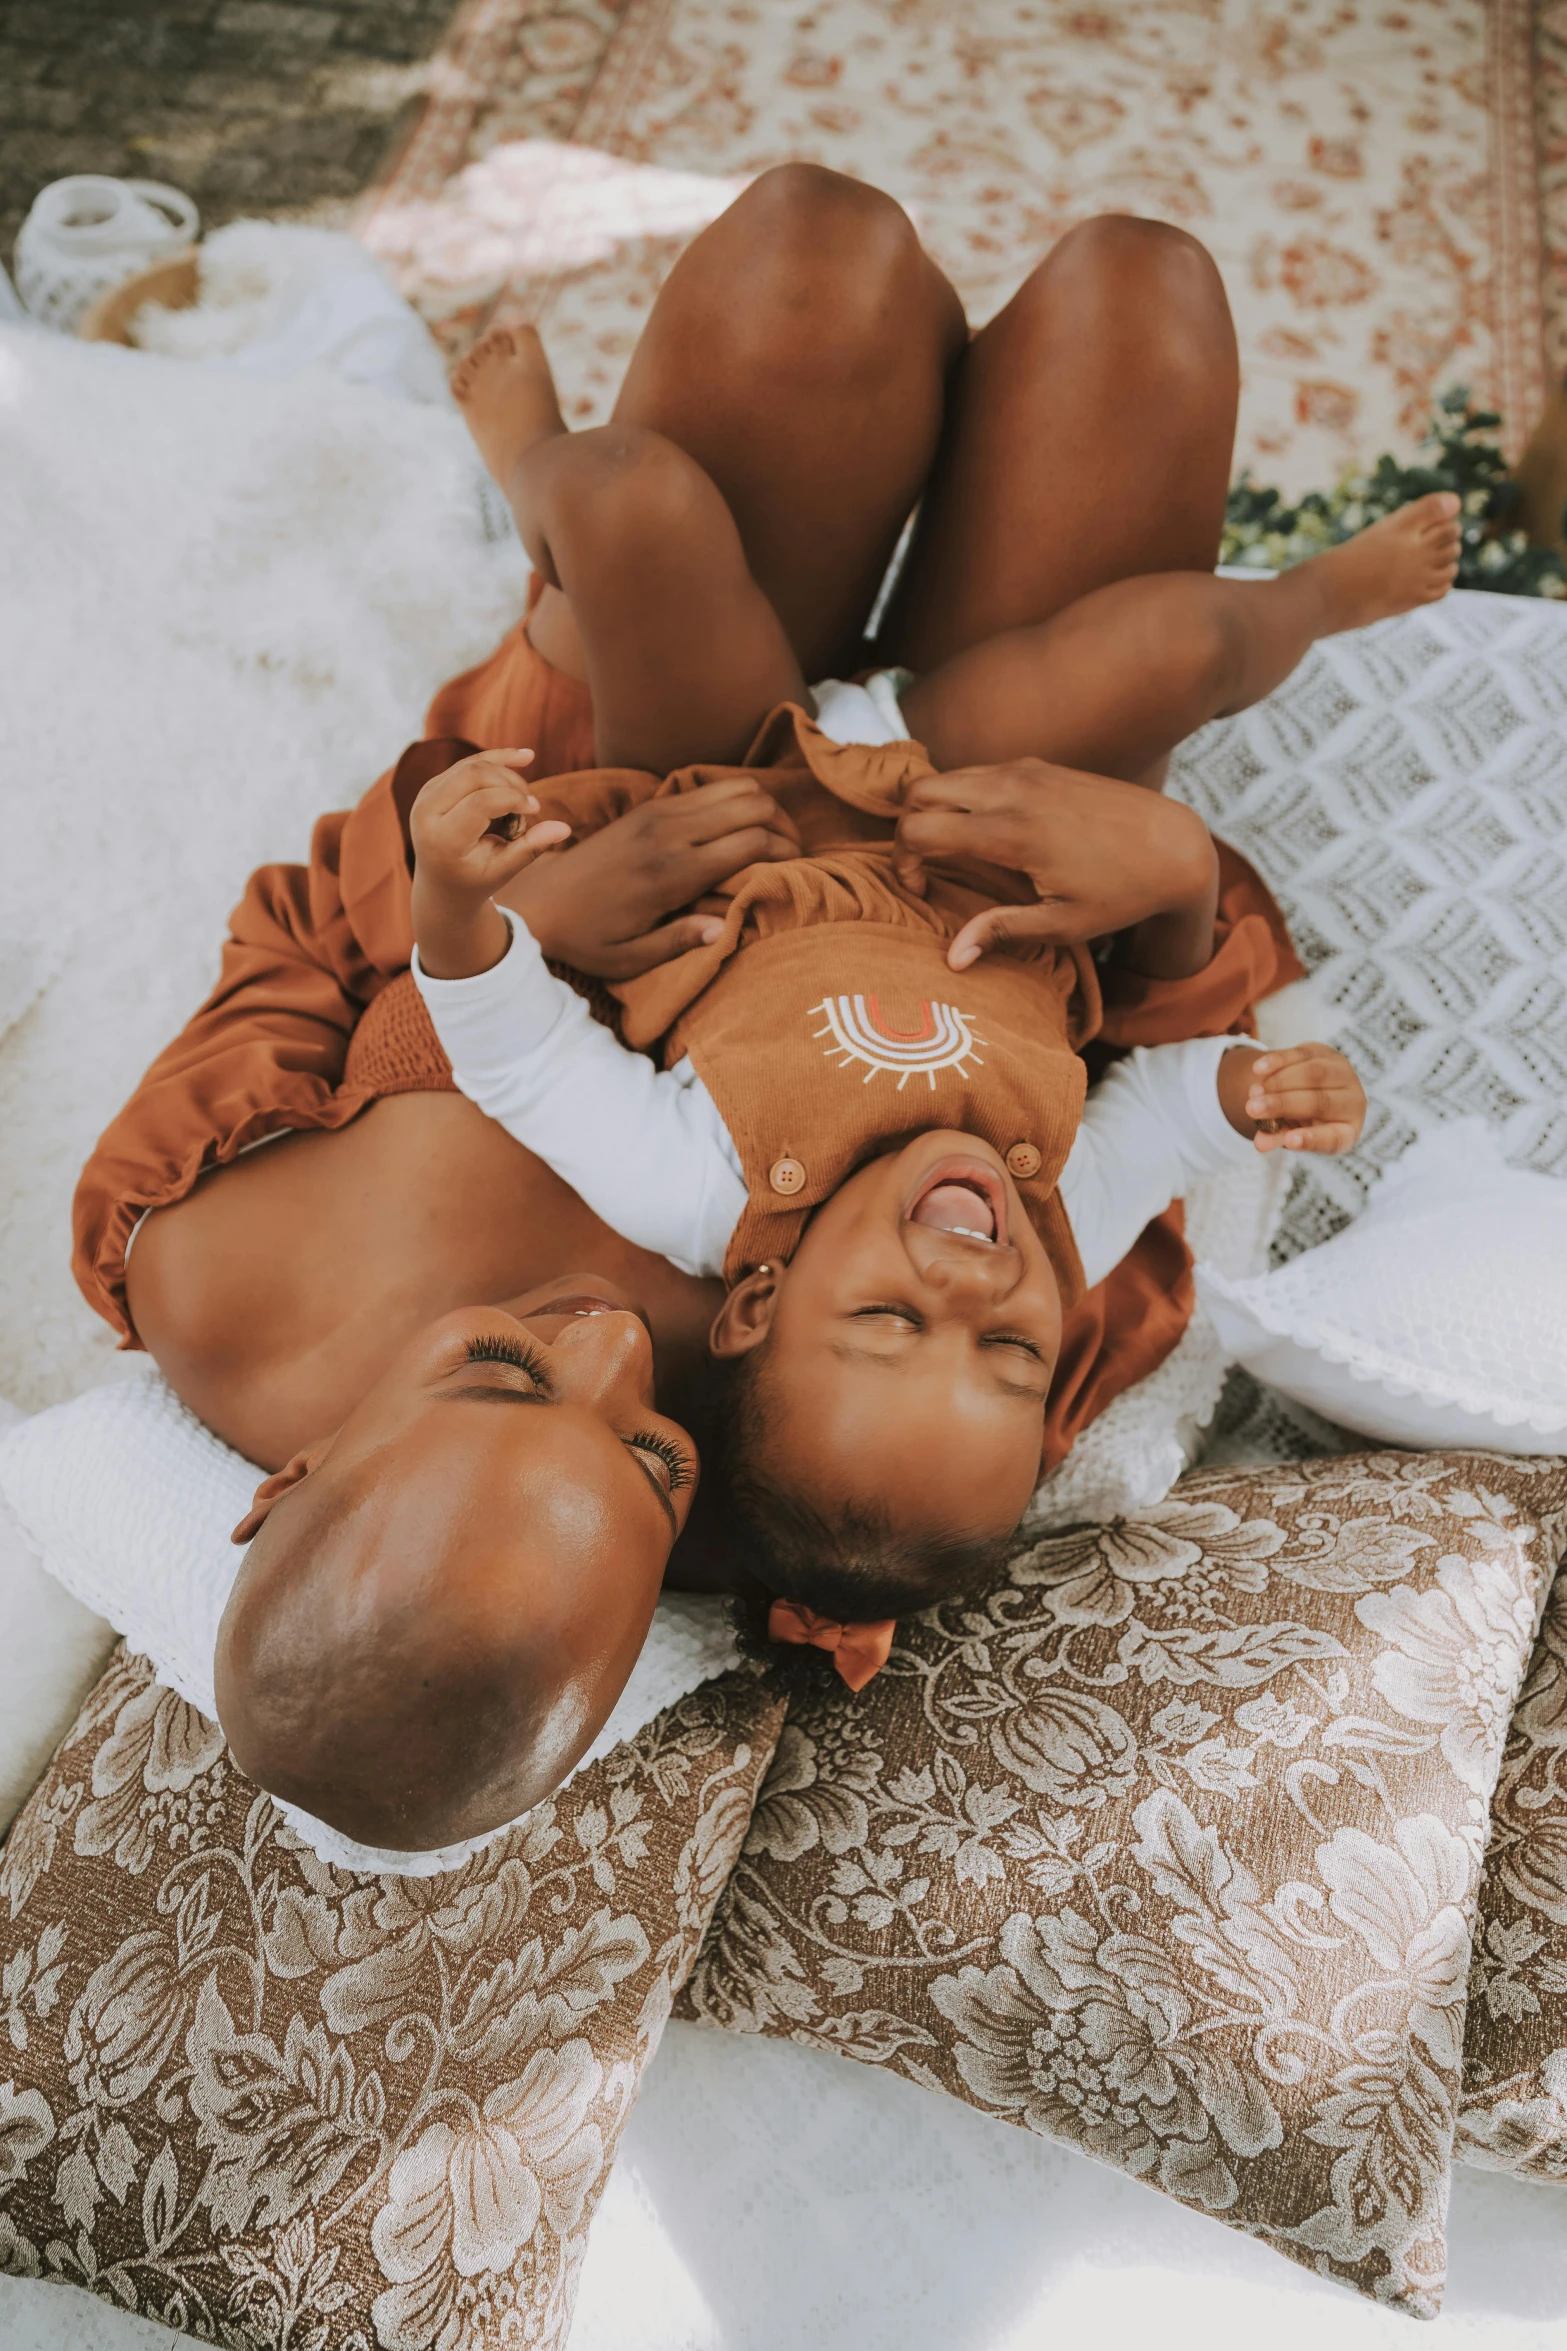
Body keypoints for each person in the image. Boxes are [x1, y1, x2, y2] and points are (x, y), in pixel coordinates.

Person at [71, 166, 1452, 1855]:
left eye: (501, 1371)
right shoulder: (854, 1474)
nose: (598, 1344)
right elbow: (1121, 1129)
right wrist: (1163, 868)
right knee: (1140, 303)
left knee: (825, 253)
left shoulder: (213, 1272)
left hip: (639, 739)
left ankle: (564, 513)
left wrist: (532, 914)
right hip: (960, 830)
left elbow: (298, 927)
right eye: (653, 1459)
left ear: (289, 1482)